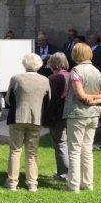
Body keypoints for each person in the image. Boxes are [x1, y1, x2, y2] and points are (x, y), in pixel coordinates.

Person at [63, 43, 101, 193]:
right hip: (94, 114)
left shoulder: (76, 70)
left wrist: (89, 98)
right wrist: (95, 99)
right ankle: (88, 184)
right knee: (87, 150)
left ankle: (73, 185)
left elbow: (80, 95)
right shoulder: (97, 71)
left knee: (75, 151)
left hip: (78, 113)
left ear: (75, 55)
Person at [4, 53, 51, 192]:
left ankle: (12, 182)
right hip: (36, 118)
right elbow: (48, 100)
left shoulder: (16, 78)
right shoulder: (45, 80)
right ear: (39, 65)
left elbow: (8, 99)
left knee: (15, 150)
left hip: (17, 117)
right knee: (32, 151)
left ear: (24, 64)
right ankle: (32, 183)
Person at [44, 52, 71, 182]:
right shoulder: (71, 75)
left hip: (58, 115)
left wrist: (47, 117)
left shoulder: (54, 78)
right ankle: (71, 172)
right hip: (71, 114)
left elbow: (51, 100)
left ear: (52, 63)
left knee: (60, 144)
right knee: (70, 144)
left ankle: (63, 174)